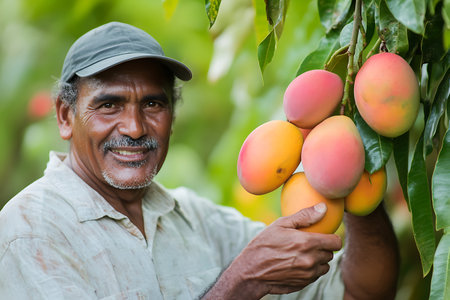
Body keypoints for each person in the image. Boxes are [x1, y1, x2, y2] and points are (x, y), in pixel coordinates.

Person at [0, 22, 399, 299]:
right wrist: (241, 284)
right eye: (109, 105)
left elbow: (360, 292)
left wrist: (348, 169)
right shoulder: (31, 232)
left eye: (153, 103)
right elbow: (246, 276)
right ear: (65, 117)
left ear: (172, 117)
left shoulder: (199, 223)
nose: (135, 127)